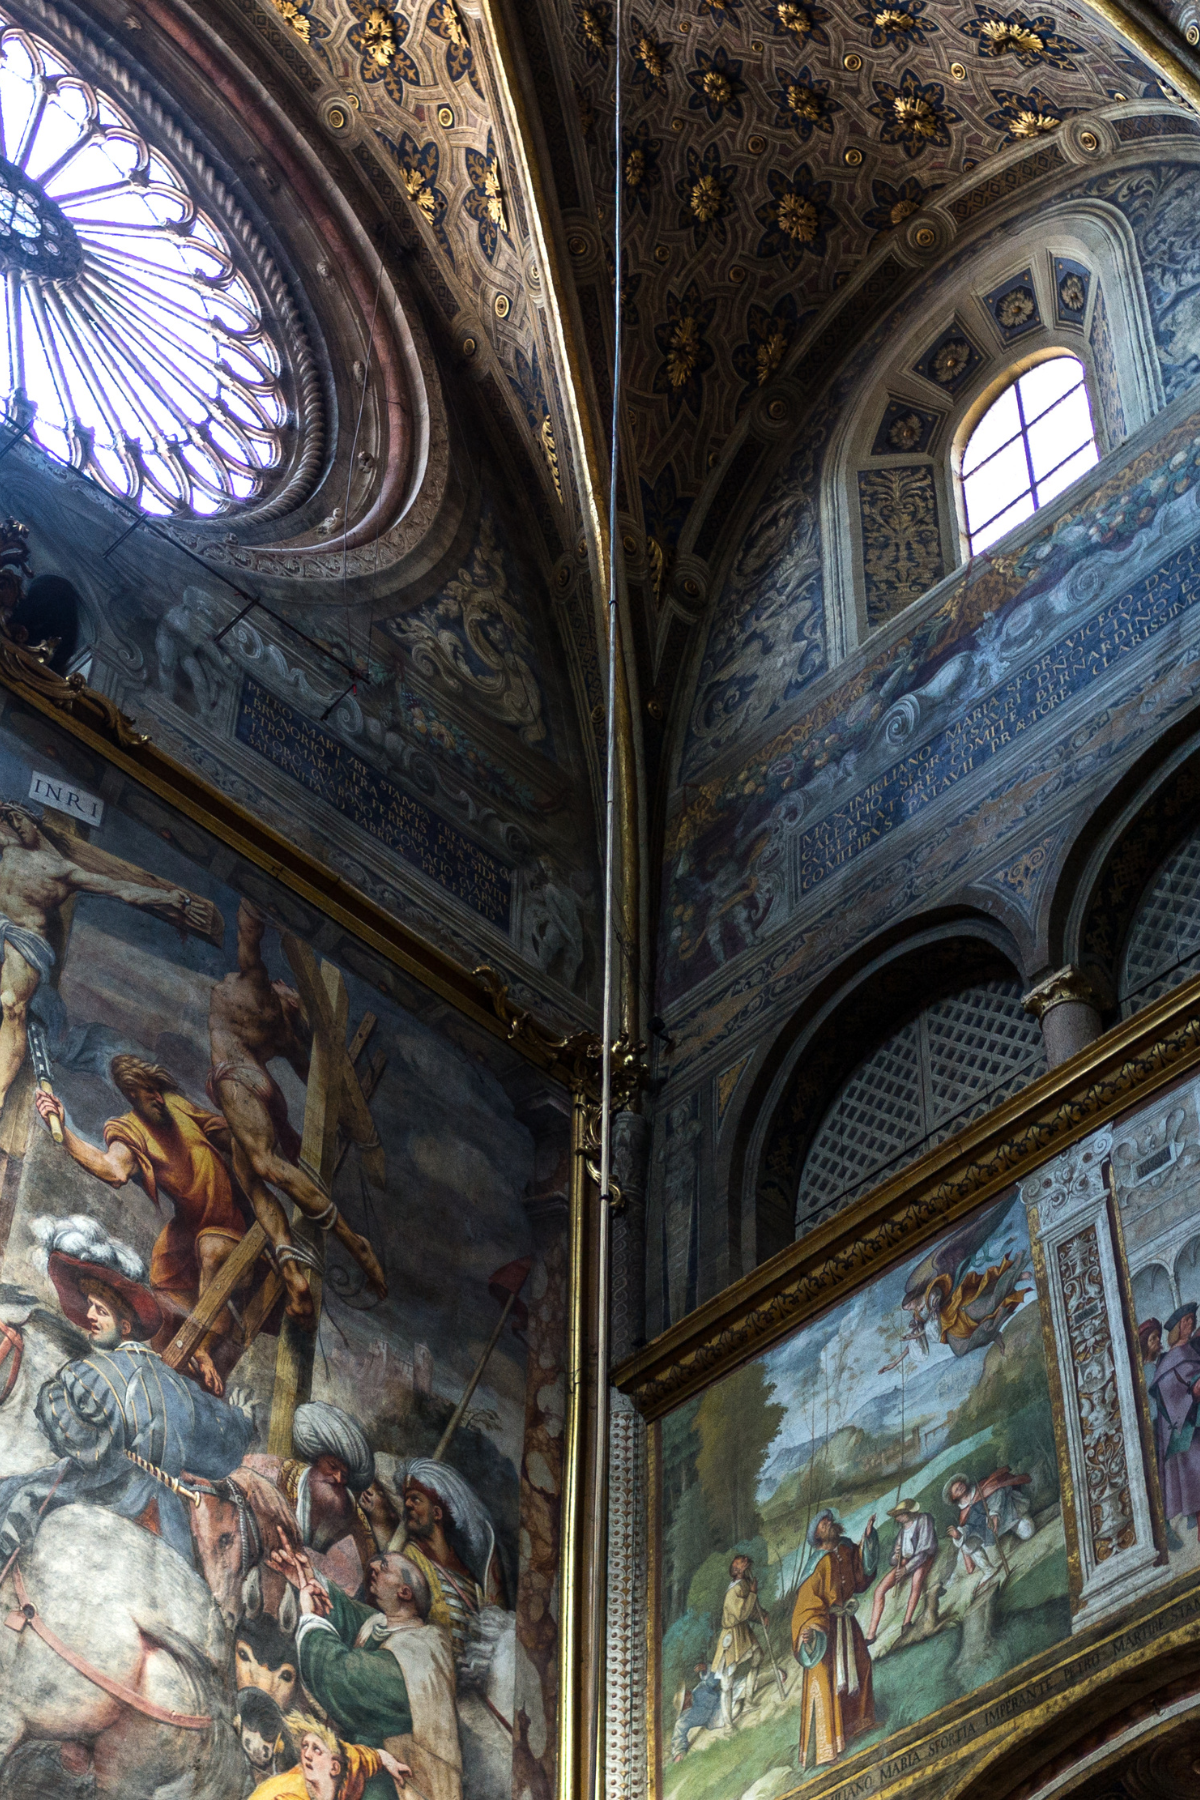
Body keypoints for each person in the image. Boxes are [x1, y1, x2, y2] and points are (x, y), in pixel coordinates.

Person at [35, 1054, 310, 1391]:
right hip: (184, 1244)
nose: (158, 1099)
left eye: (158, 1090)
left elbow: (234, 1137)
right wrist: (64, 1130)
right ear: (133, 1097)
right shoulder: (130, 1131)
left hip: (232, 1231)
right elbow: (114, 1169)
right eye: (148, 1094)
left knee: (211, 1250)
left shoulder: (178, 1107)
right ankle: (169, 1390)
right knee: (164, 1315)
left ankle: (203, 1348)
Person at [0, 1223, 253, 1565]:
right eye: (90, 1306)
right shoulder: (181, 1388)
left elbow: (71, 1436)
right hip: (168, 1524)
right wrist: (242, 1419)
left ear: (126, 1326)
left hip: (98, 1497)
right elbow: (224, 1452)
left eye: (100, 1310)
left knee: (12, 1495)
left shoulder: (87, 1374)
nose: (89, 1316)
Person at [208, 898, 386, 1300]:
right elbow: (317, 1082)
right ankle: (291, 1270)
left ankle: (353, 1242)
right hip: (258, 1091)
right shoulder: (286, 1039)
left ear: (288, 998)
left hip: (235, 1082)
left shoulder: (250, 990)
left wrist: (259, 896)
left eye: (290, 990)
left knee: (265, 1167)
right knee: (253, 1182)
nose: (288, 987)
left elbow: (249, 932)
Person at [0, 799, 212, 1115]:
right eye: (8, 818)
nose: (13, 824)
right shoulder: (7, 846)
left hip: (23, 940)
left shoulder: (66, 872)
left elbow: (122, 889)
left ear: (35, 821)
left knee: (12, 1007)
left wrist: (169, 898)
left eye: (18, 818)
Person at [269, 1540, 439, 1781]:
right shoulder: (384, 1623)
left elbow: (343, 1678)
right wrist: (306, 1579)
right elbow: (347, 1614)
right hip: (362, 1765)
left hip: (394, 1781)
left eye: (385, 1567)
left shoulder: (419, 1651)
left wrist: (309, 1617)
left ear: (404, 1592)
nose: (375, 1568)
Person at [388, 1458, 507, 1654]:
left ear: (437, 1513)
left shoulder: (470, 1576)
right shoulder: (406, 1560)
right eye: (406, 1499)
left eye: (415, 1499)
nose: (407, 1504)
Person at [790, 1509, 878, 1768]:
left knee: (862, 1665)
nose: (828, 1524)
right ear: (817, 1535)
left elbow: (861, 1576)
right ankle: (827, 1751)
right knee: (827, 1683)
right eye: (823, 1523)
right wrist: (810, 1630)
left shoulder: (847, 1548)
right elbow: (805, 1606)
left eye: (829, 1520)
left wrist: (869, 1540)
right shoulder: (816, 1565)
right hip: (825, 1630)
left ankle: (860, 1723)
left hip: (846, 1622)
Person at [280, 1400, 378, 1570]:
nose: (339, 1479)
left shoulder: (357, 1524)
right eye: (333, 1467)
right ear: (317, 1460)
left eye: (345, 1475)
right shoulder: (282, 1477)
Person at [247, 1713, 410, 1800]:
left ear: (334, 1767)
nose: (307, 1754)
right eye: (305, 1746)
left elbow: (360, 1756)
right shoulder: (290, 1796)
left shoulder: (347, 1769)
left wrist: (387, 1760)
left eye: (316, 1749)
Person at [1148, 1301, 1200, 1538]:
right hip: (1185, 1427)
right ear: (1178, 1327)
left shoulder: (1193, 1348)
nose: (1190, 1324)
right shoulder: (1168, 1360)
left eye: (1192, 1319)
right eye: (1185, 1321)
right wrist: (1191, 1394)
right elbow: (1169, 1391)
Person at [864, 1500, 937, 1642]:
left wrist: (906, 1569)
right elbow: (893, 1559)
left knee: (917, 1580)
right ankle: (871, 1634)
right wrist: (896, 1556)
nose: (897, 1518)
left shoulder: (924, 1520)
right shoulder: (902, 1531)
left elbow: (923, 1551)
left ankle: (906, 1623)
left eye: (899, 1514)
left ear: (908, 1513)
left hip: (923, 1557)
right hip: (907, 1560)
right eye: (896, 1515)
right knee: (879, 1590)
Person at [943, 1468, 1034, 1580]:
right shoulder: (963, 1513)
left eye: (960, 1484)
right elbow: (969, 1527)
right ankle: (989, 1570)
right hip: (987, 1530)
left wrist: (994, 1514)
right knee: (966, 1545)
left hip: (1006, 1518)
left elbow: (999, 1491)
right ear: (953, 1497)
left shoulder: (981, 1487)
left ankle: (1020, 1521)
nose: (960, 1487)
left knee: (1028, 1532)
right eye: (957, 1489)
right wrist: (958, 1535)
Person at [711, 1553, 766, 1728]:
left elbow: (749, 1610)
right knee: (727, 1682)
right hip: (732, 1637)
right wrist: (753, 1594)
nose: (744, 1562)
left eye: (744, 1560)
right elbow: (741, 1613)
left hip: (743, 1632)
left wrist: (762, 1616)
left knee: (757, 1656)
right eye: (740, 1562)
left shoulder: (743, 1584)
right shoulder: (735, 1589)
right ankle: (728, 1726)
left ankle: (748, 1701)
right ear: (736, 1569)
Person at [671, 1660, 723, 1760]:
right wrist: (679, 1753)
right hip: (715, 1718)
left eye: (685, 1691)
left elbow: (713, 1680)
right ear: (684, 1703)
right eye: (685, 1694)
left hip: (722, 1700)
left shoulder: (699, 1689)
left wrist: (705, 1669)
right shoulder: (683, 1720)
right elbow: (678, 1737)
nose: (687, 1691)